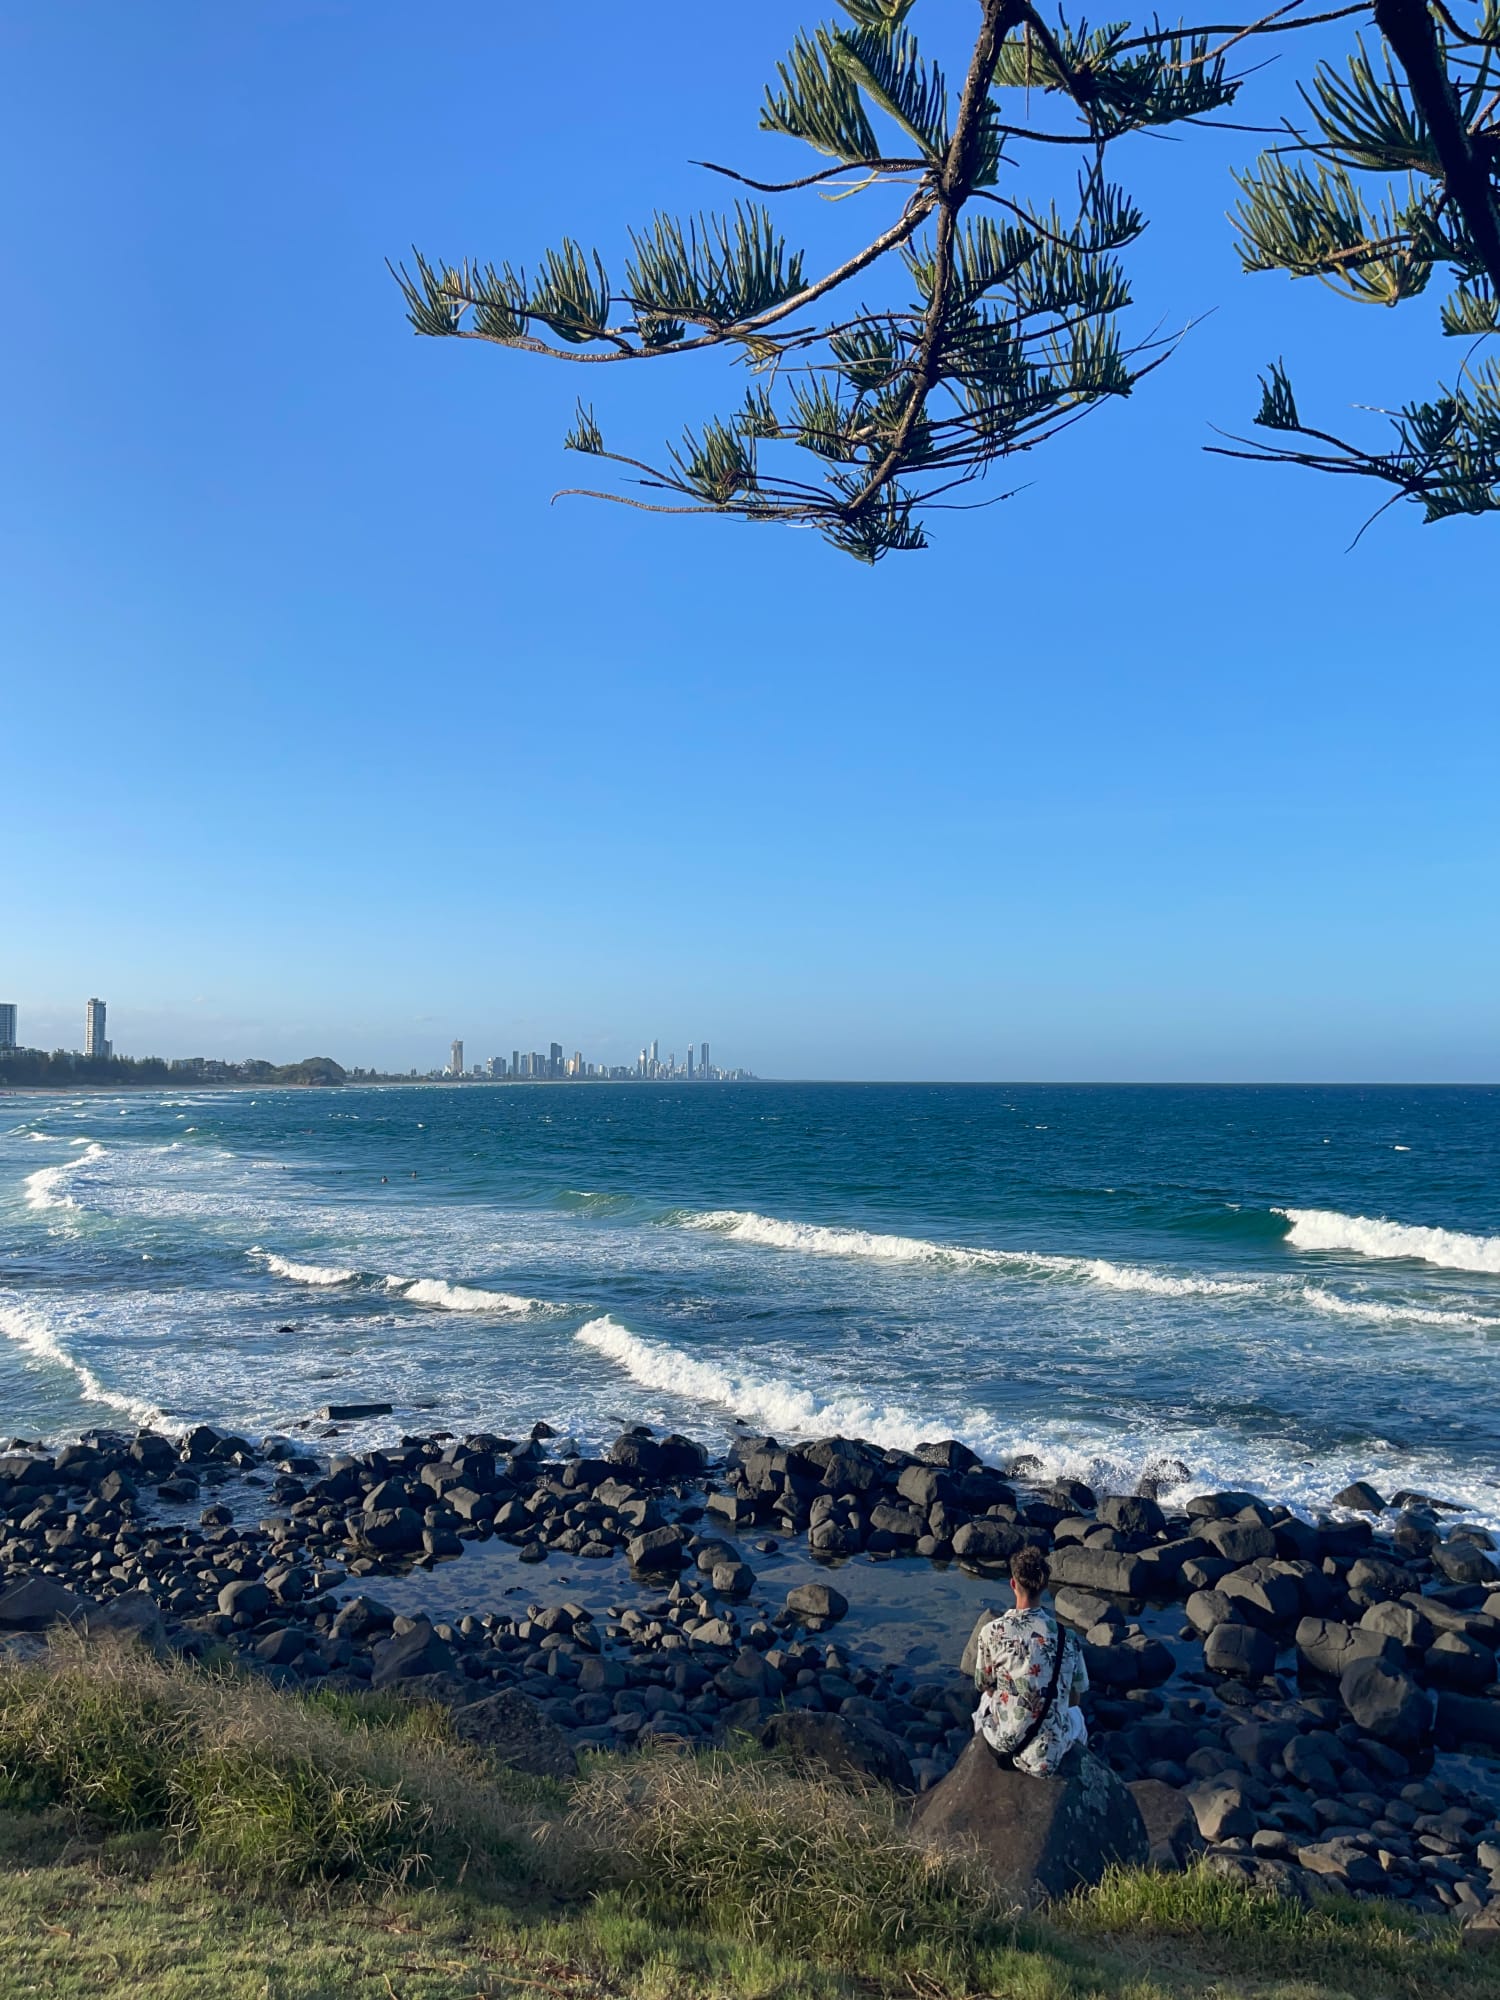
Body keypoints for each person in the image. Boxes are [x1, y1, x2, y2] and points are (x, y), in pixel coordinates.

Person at [971, 1544, 1088, 1776]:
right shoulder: (1067, 1637)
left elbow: (982, 1683)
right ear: (1044, 1586)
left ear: (1013, 1584)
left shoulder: (991, 1632)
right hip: (1050, 1753)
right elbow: (1075, 1697)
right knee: (1078, 1717)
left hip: (1005, 1742)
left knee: (984, 1701)